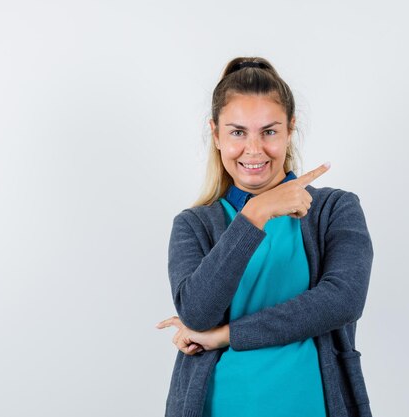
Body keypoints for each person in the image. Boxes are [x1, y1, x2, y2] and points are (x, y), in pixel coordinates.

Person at [155, 57, 374, 417]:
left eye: (269, 131)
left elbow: (342, 301)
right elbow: (197, 312)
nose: (254, 149)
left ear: (290, 129)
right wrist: (255, 213)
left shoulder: (335, 209)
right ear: (216, 135)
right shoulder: (193, 225)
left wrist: (225, 336)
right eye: (238, 132)